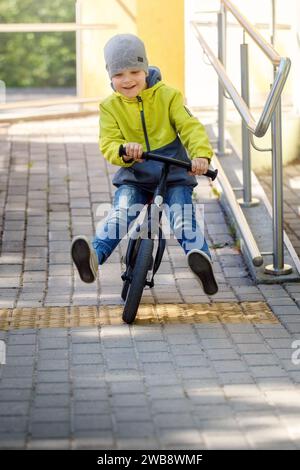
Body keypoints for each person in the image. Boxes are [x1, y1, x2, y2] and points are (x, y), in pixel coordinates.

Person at [71, 33, 218, 296]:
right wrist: (124, 151)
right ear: (110, 77)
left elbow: (190, 127)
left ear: (146, 69)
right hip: (136, 175)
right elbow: (108, 141)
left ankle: (200, 261)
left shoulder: (169, 96)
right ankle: (94, 257)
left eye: (134, 71)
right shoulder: (109, 106)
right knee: (121, 212)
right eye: (118, 75)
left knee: (182, 217)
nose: (127, 80)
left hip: (172, 173)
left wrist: (201, 157)